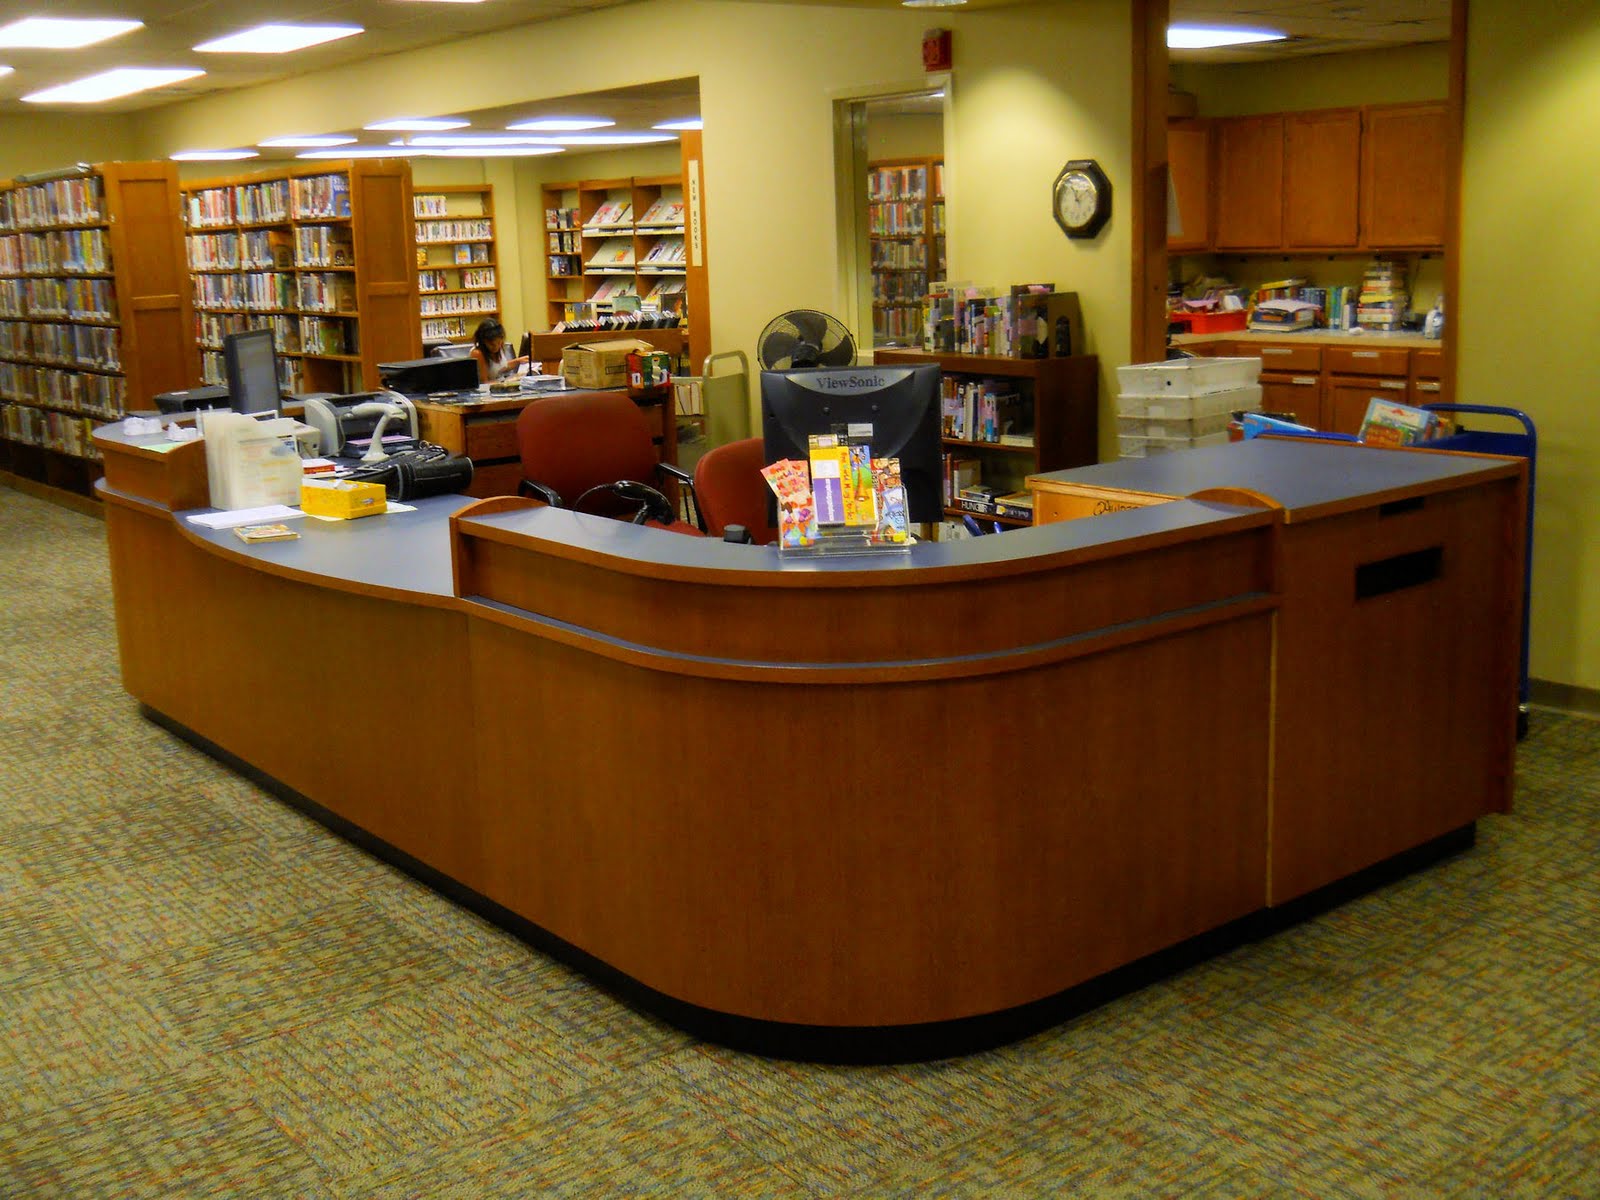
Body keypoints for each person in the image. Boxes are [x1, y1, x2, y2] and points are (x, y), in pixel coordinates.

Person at [469, 319, 527, 383]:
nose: (496, 347)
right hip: (489, 389)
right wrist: (507, 382)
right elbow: (484, 383)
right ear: (483, 341)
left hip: (501, 384)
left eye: (499, 343)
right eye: (492, 344)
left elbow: (500, 367)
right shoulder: (477, 353)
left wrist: (519, 361)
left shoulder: (500, 346)